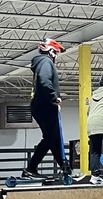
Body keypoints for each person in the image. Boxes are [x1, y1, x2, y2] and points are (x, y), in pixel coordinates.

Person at [23, 37, 72, 182]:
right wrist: (54, 98)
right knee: (52, 137)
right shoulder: (46, 62)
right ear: (50, 51)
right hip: (45, 105)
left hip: (40, 105)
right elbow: (44, 81)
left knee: (53, 138)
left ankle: (66, 169)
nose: (56, 56)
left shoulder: (40, 63)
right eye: (56, 52)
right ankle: (31, 168)